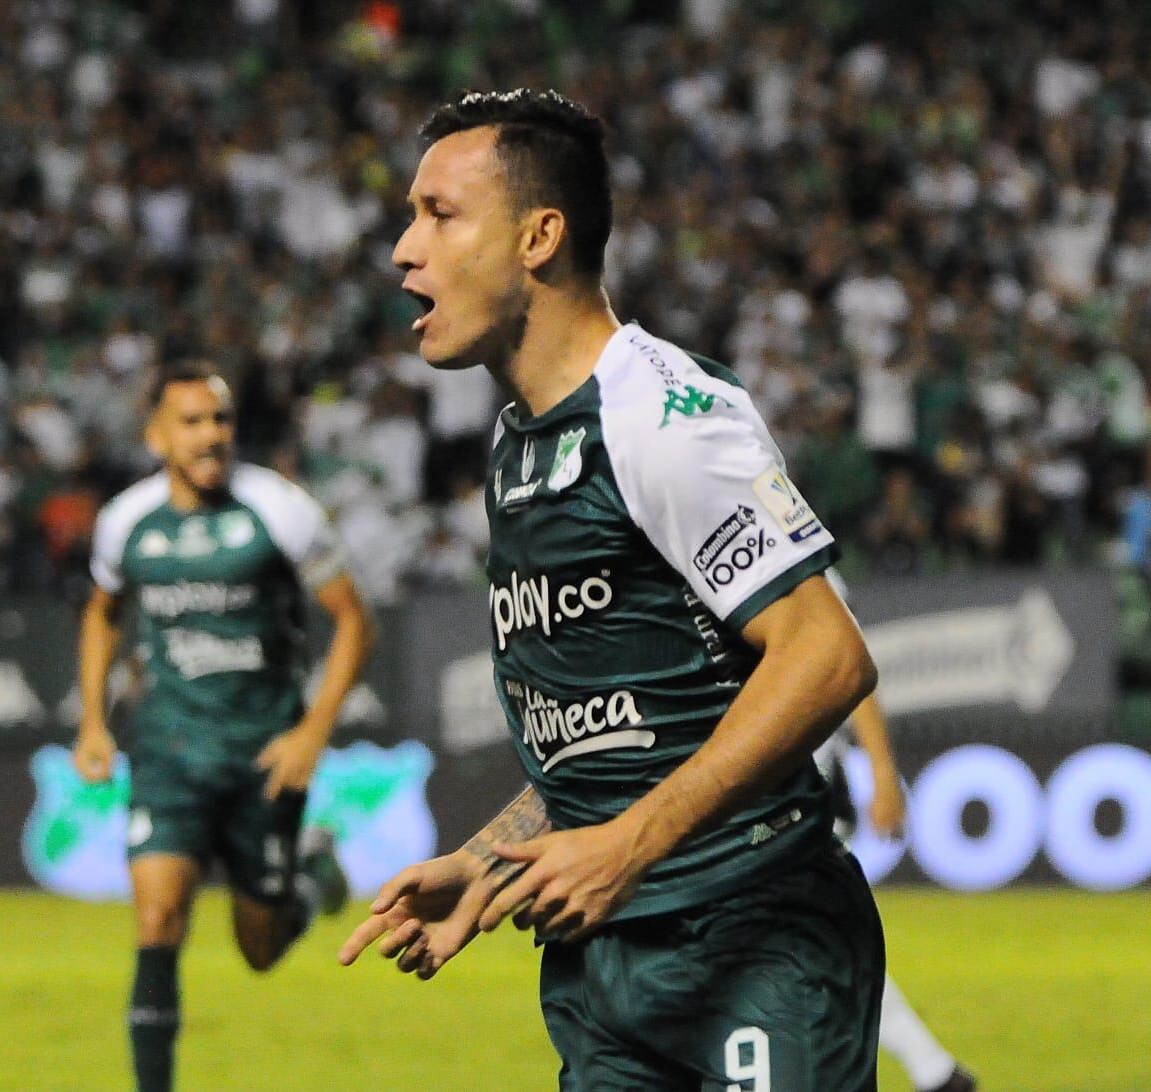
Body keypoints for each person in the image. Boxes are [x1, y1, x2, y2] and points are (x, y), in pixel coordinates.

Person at [339, 88, 885, 1090]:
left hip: (751, 941)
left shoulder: (660, 417)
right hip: (604, 967)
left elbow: (826, 655)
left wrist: (629, 846)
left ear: (538, 237)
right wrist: (487, 864)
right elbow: (618, 736)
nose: (404, 250)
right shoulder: (517, 444)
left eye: (438, 214)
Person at [74, 365, 373, 1092]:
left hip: (262, 757)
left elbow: (353, 622)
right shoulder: (126, 521)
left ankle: (309, 878)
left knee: (259, 949)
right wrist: (91, 722)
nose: (211, 435)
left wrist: (312, 734)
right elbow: (102, 613)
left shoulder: (280, 509)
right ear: (156, 437)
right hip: (168, 752)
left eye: (221, 419)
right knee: (158, 920)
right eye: (192, 422)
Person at [813, 669, 978, 1092]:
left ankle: (935, 1071)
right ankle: (936, 1072)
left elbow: (848, 668)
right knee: (824, 947)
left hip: (802, 799)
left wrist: (884, 777)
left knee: (822, 944)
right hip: (764, 796)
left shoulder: (796, 616)